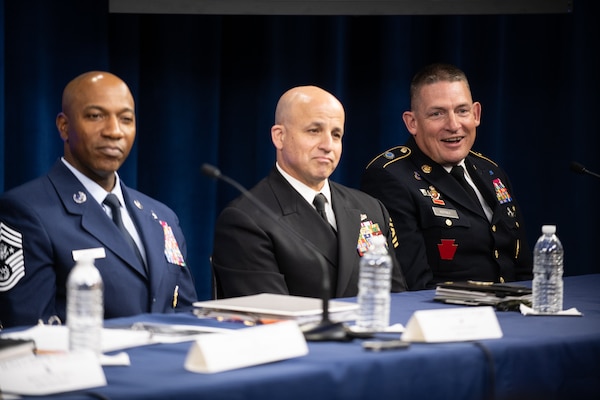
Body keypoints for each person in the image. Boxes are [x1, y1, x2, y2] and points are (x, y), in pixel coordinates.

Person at [0, 71, 197, 328]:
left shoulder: (161, 217)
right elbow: (30, 331)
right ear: (64, 126)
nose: (114, 131)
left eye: (126, 119)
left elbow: (185, 314)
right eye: (95, 116)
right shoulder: (25, 212)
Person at [212, 85, 406, 299]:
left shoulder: (370, 208)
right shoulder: (246, 219)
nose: (327, 145)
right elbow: (271, 317)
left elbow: (395, 298)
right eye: (314, 131)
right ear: (279, 137)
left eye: (336, 134)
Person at [361, 63, 532, 290]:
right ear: (412, 123)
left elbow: (523, 267)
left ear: (476, 114)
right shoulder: (390, 177)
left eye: (462, 111)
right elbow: (412, 284)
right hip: (446, 317)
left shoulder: (491, 172)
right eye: (437, 114)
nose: (453, 125)